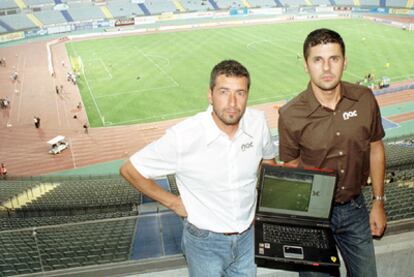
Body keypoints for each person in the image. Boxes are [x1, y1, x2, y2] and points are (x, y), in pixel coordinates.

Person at [120, 59, 277, 277]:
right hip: (205, 242)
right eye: (224, 92)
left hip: (248, 237)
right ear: (210, 95)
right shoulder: (184, 136)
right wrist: (173, 203)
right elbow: (130, 170)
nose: (232, 102)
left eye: (240, 93)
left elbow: (268, 161)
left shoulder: (257, 122)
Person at [278, 28, 386, 277]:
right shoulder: (290, 114)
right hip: (312, 216)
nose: (326, 68)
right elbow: (292, 167)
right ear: (306, 65)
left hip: (355, 210)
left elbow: (376, 147)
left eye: (333, 59)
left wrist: (378, 202)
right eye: (318, 60)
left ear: (344, 62)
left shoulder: (365, 98)